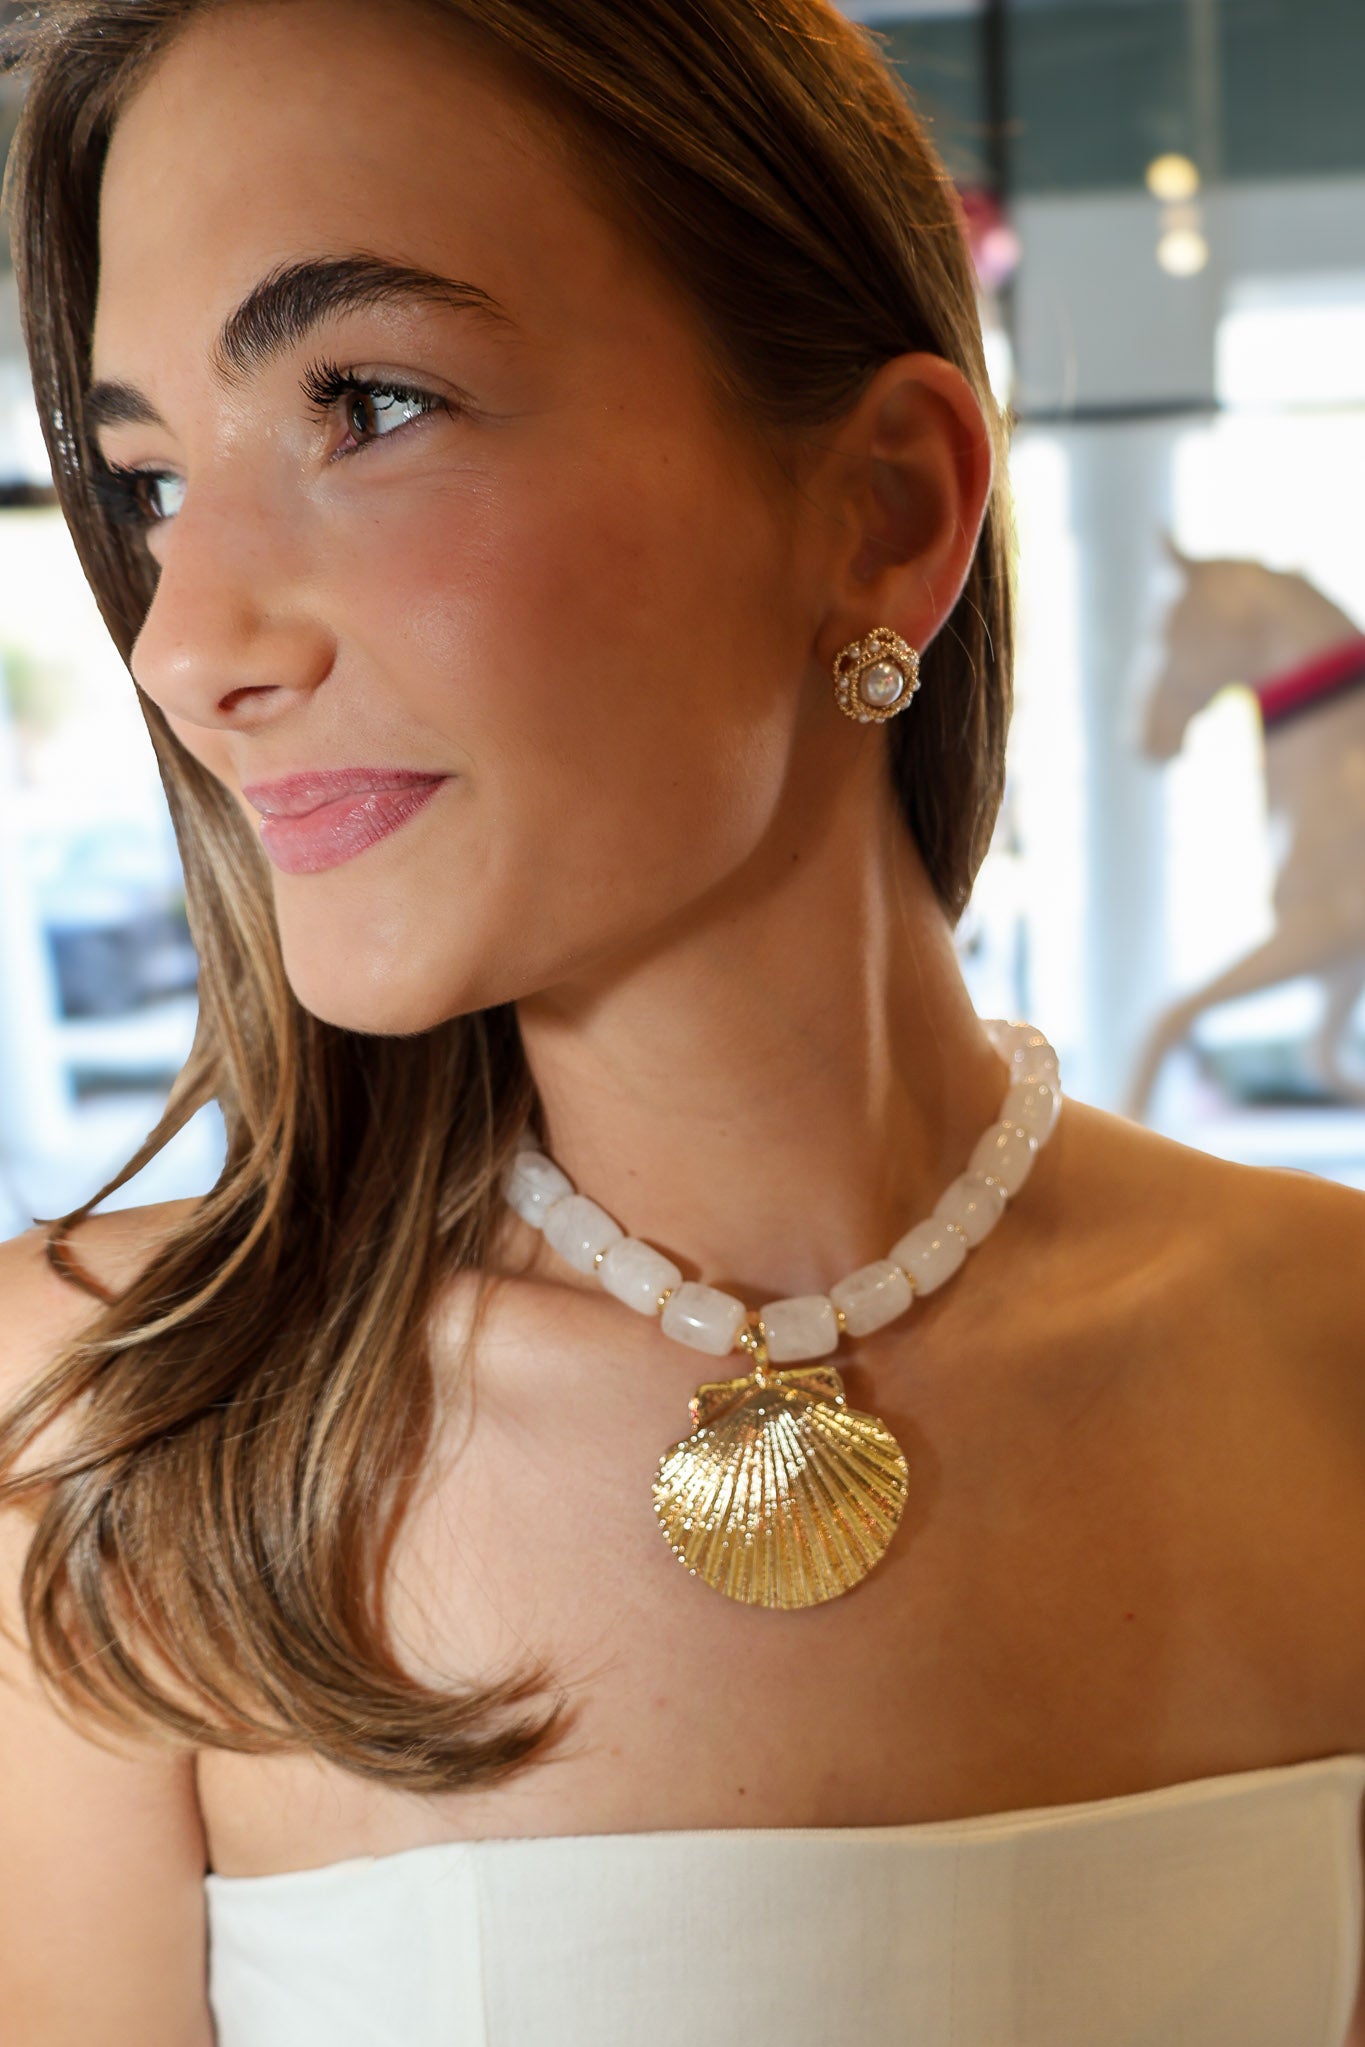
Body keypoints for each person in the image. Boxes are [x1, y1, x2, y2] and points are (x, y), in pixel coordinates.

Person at [1, 2, 1363, 2042]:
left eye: (365, 404)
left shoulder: (1332, 1359)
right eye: (148, 484)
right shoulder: (98, 1434)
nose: (186, 645)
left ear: (881, 509)